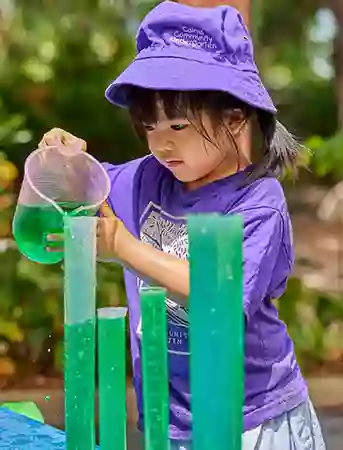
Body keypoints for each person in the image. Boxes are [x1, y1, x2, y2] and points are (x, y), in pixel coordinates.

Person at [39, 2, 326, 449]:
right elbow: (82, 187)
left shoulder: (256, 202)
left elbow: (222, 300)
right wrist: (65, 158)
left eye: (177, 124)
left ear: (235, 116)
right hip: (168, 418)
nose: (162, 142)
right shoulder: (147, 178)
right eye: (150, 125)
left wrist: (124, 247)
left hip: (250, 417)